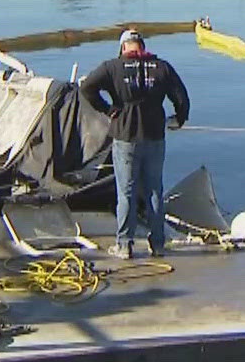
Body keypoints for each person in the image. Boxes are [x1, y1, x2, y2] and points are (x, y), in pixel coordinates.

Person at [79, 29, 190, 258]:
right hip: (155, 136)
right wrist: (179, 119)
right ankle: (158, 244)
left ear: (123, 48)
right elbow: (182, 97)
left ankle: (124, 245)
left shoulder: (112, 67)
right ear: (142, 46)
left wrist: (108, 109)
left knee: (126, 191)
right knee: (154, 191)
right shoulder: (161, 67)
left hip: (125, 137)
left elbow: (87, 87)